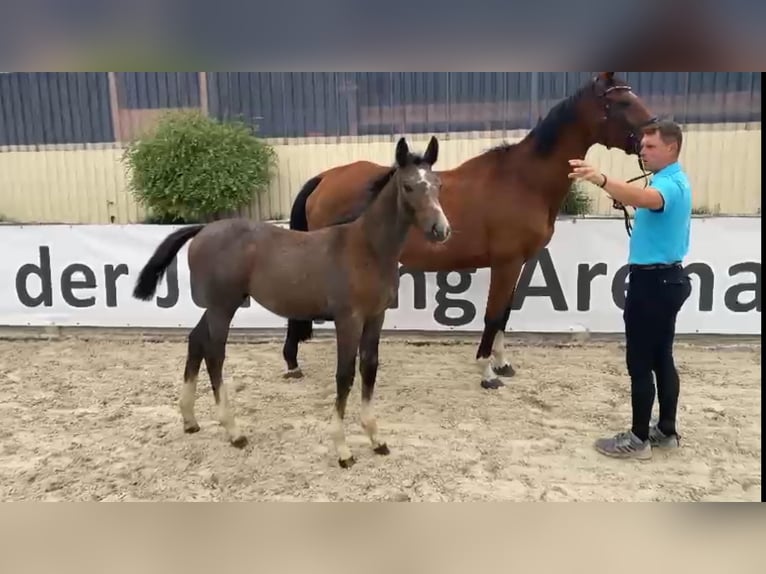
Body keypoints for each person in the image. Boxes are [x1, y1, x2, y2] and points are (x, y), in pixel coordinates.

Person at [568, 120, 693, 460]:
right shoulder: (672, 179)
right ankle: (665, 431)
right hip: (667, 281)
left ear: (672, 147)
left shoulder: (669, 184)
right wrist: (628, 204)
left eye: (650, 146)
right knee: (661, 358)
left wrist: (602, 179)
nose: (643, 151)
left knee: (640, 362)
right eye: (643, 146)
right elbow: (648, 205)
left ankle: (638, 439)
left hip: (652, 284)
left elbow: (647, 197)